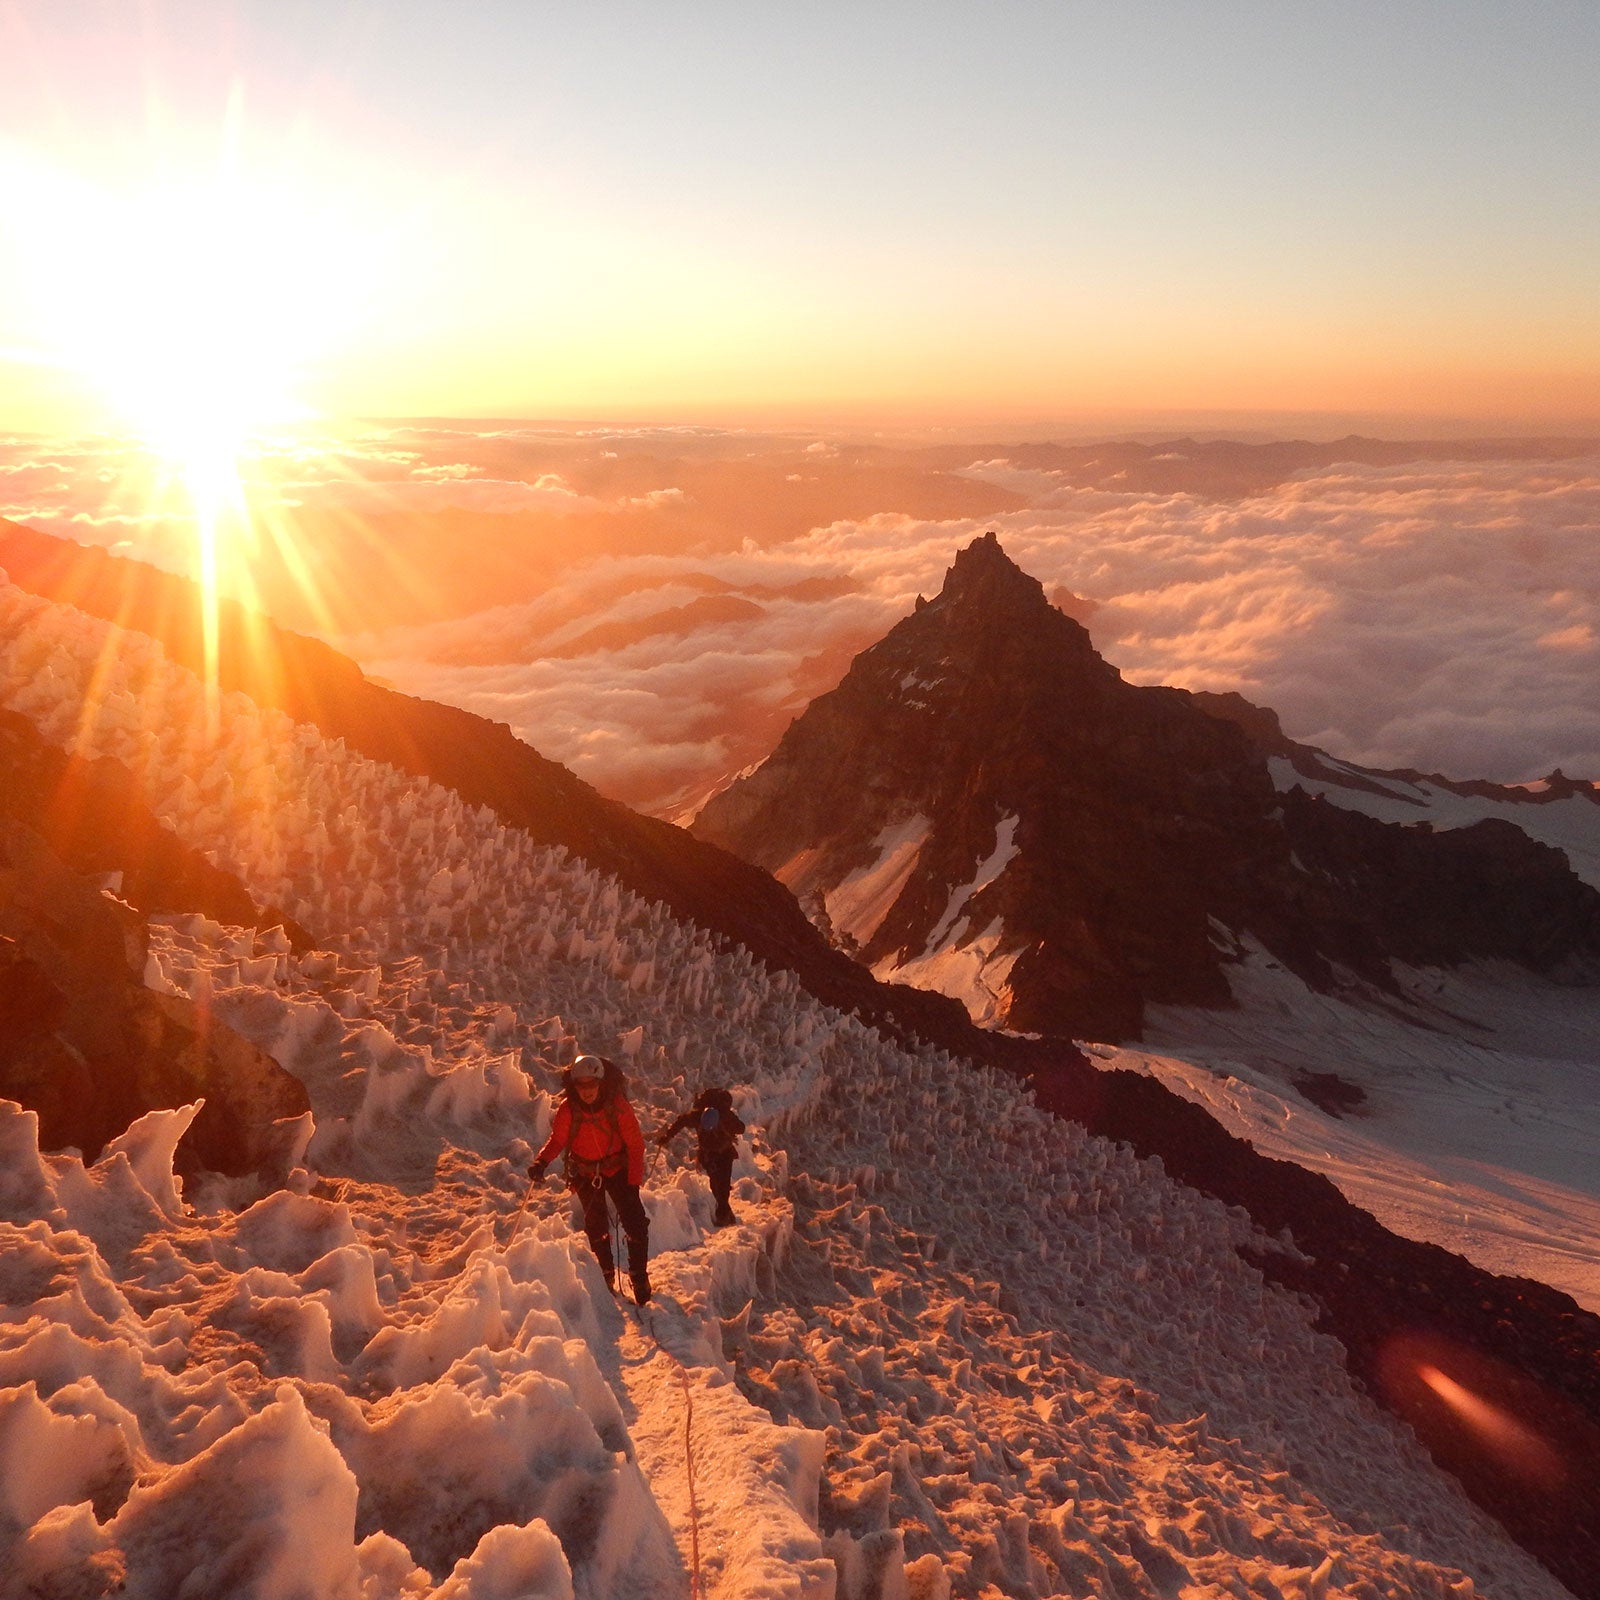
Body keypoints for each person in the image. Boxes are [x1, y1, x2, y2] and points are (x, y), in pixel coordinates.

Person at [529, 1053, 651, 1302]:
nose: (586, 1091)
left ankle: (639, 1276)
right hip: (585, 1172)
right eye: (581, 1085)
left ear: (601, 1082)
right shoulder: (568, 1109)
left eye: (591, 1084)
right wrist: (541, 1161)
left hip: (618, 1169)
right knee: (596, 1226)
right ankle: (605, 1273)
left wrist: (633, 1182)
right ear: (574, 1086)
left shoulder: (616, 1105)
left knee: (635, 1222)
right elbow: (558, 1140)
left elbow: (635, 1144)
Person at [657, 1086, 744, 1227]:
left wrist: (731, 1125)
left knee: (722, 1182)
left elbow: (741, 1128)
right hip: (708, 1153)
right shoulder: (696, 1117)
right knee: (716, 1183)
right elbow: (681, 1122)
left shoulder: (726, 1117)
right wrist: (667, 1137)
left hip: (724, 1152)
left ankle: (722, 1213)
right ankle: (724, 1212)